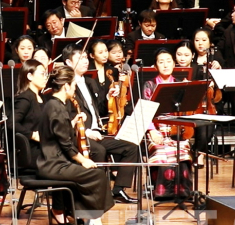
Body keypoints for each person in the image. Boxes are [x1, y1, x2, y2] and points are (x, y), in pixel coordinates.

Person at [37, 65, 115, 225]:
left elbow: (57, 133)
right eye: (73, 85)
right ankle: (94, 221)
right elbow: (66, 144)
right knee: (96, 175)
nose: (74, 89)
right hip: (53, 164)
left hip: (53, 161)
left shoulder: (53, 105)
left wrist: (71, 123)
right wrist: (83, 160)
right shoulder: (57, 108)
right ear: (66, 86)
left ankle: (87, 216)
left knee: (90, 174)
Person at [63, 45, 138, 203]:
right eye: (80, 59)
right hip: (80, 135)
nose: (85, 61)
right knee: (99, 150)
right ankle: (98, 192)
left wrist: (109, 97)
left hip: (98, 132)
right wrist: (87, 132)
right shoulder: (66, 85)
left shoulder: (90, 82)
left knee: (131, 147)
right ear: (69, 63)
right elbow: (66, 114)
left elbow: (99, 110)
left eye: (85, 58)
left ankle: (118, 190)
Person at [143, 49, 193, 200]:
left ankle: (182, 191)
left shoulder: (180, 84)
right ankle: (163, 192)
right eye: (161, 62)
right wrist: (152, 131)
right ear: (155, 66)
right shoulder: (149, 85)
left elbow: (185, 112)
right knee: (161, 151)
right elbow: (145, 112)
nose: (165, 65)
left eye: (168, 61)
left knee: (182, 151)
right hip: (156, 128)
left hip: (176, 128)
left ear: (174, 64)